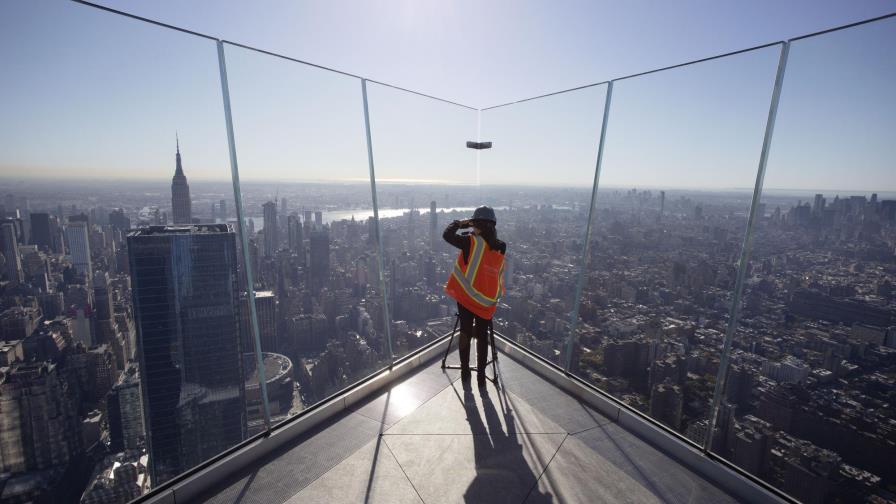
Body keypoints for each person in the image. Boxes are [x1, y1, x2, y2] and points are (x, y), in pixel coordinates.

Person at [443, 205, 506, 386]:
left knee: (465, 333)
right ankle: (481, 375)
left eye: (474, 223)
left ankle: (465, 371)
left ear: (476, 224)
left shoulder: (470, 242)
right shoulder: (501, 246)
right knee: (482, 337)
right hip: (487, 302)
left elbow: (447, 235)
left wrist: (461, 223)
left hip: (467, 298)